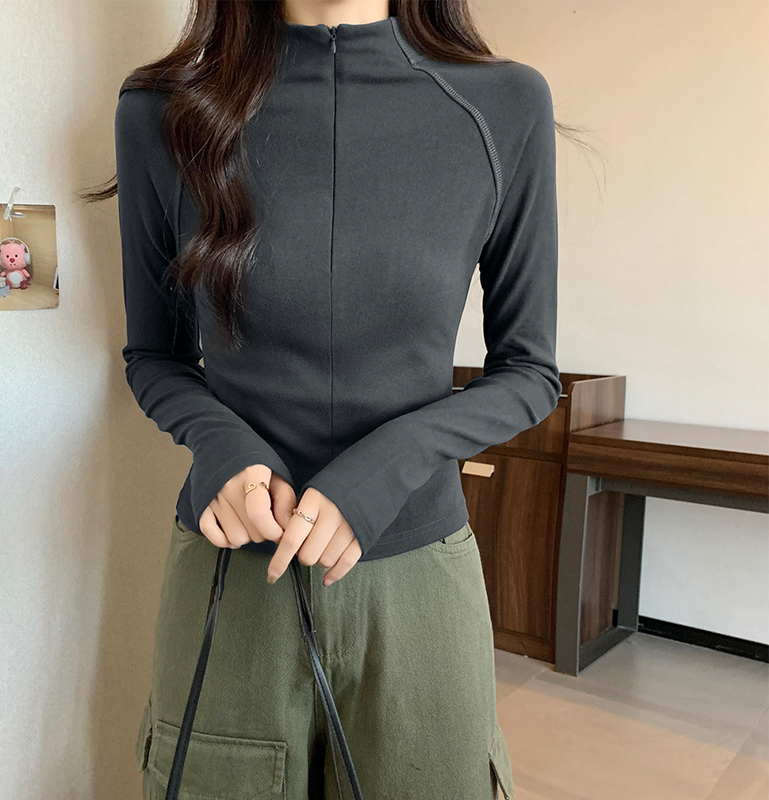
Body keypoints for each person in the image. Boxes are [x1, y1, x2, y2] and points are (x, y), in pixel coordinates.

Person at [94, 0, 564, 796]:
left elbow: (529, 370)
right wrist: (224, 447)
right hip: (233, 572)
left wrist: (388, 466)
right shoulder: (162, 113)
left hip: (418, 581)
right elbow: (155, 358)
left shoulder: (504, 104)